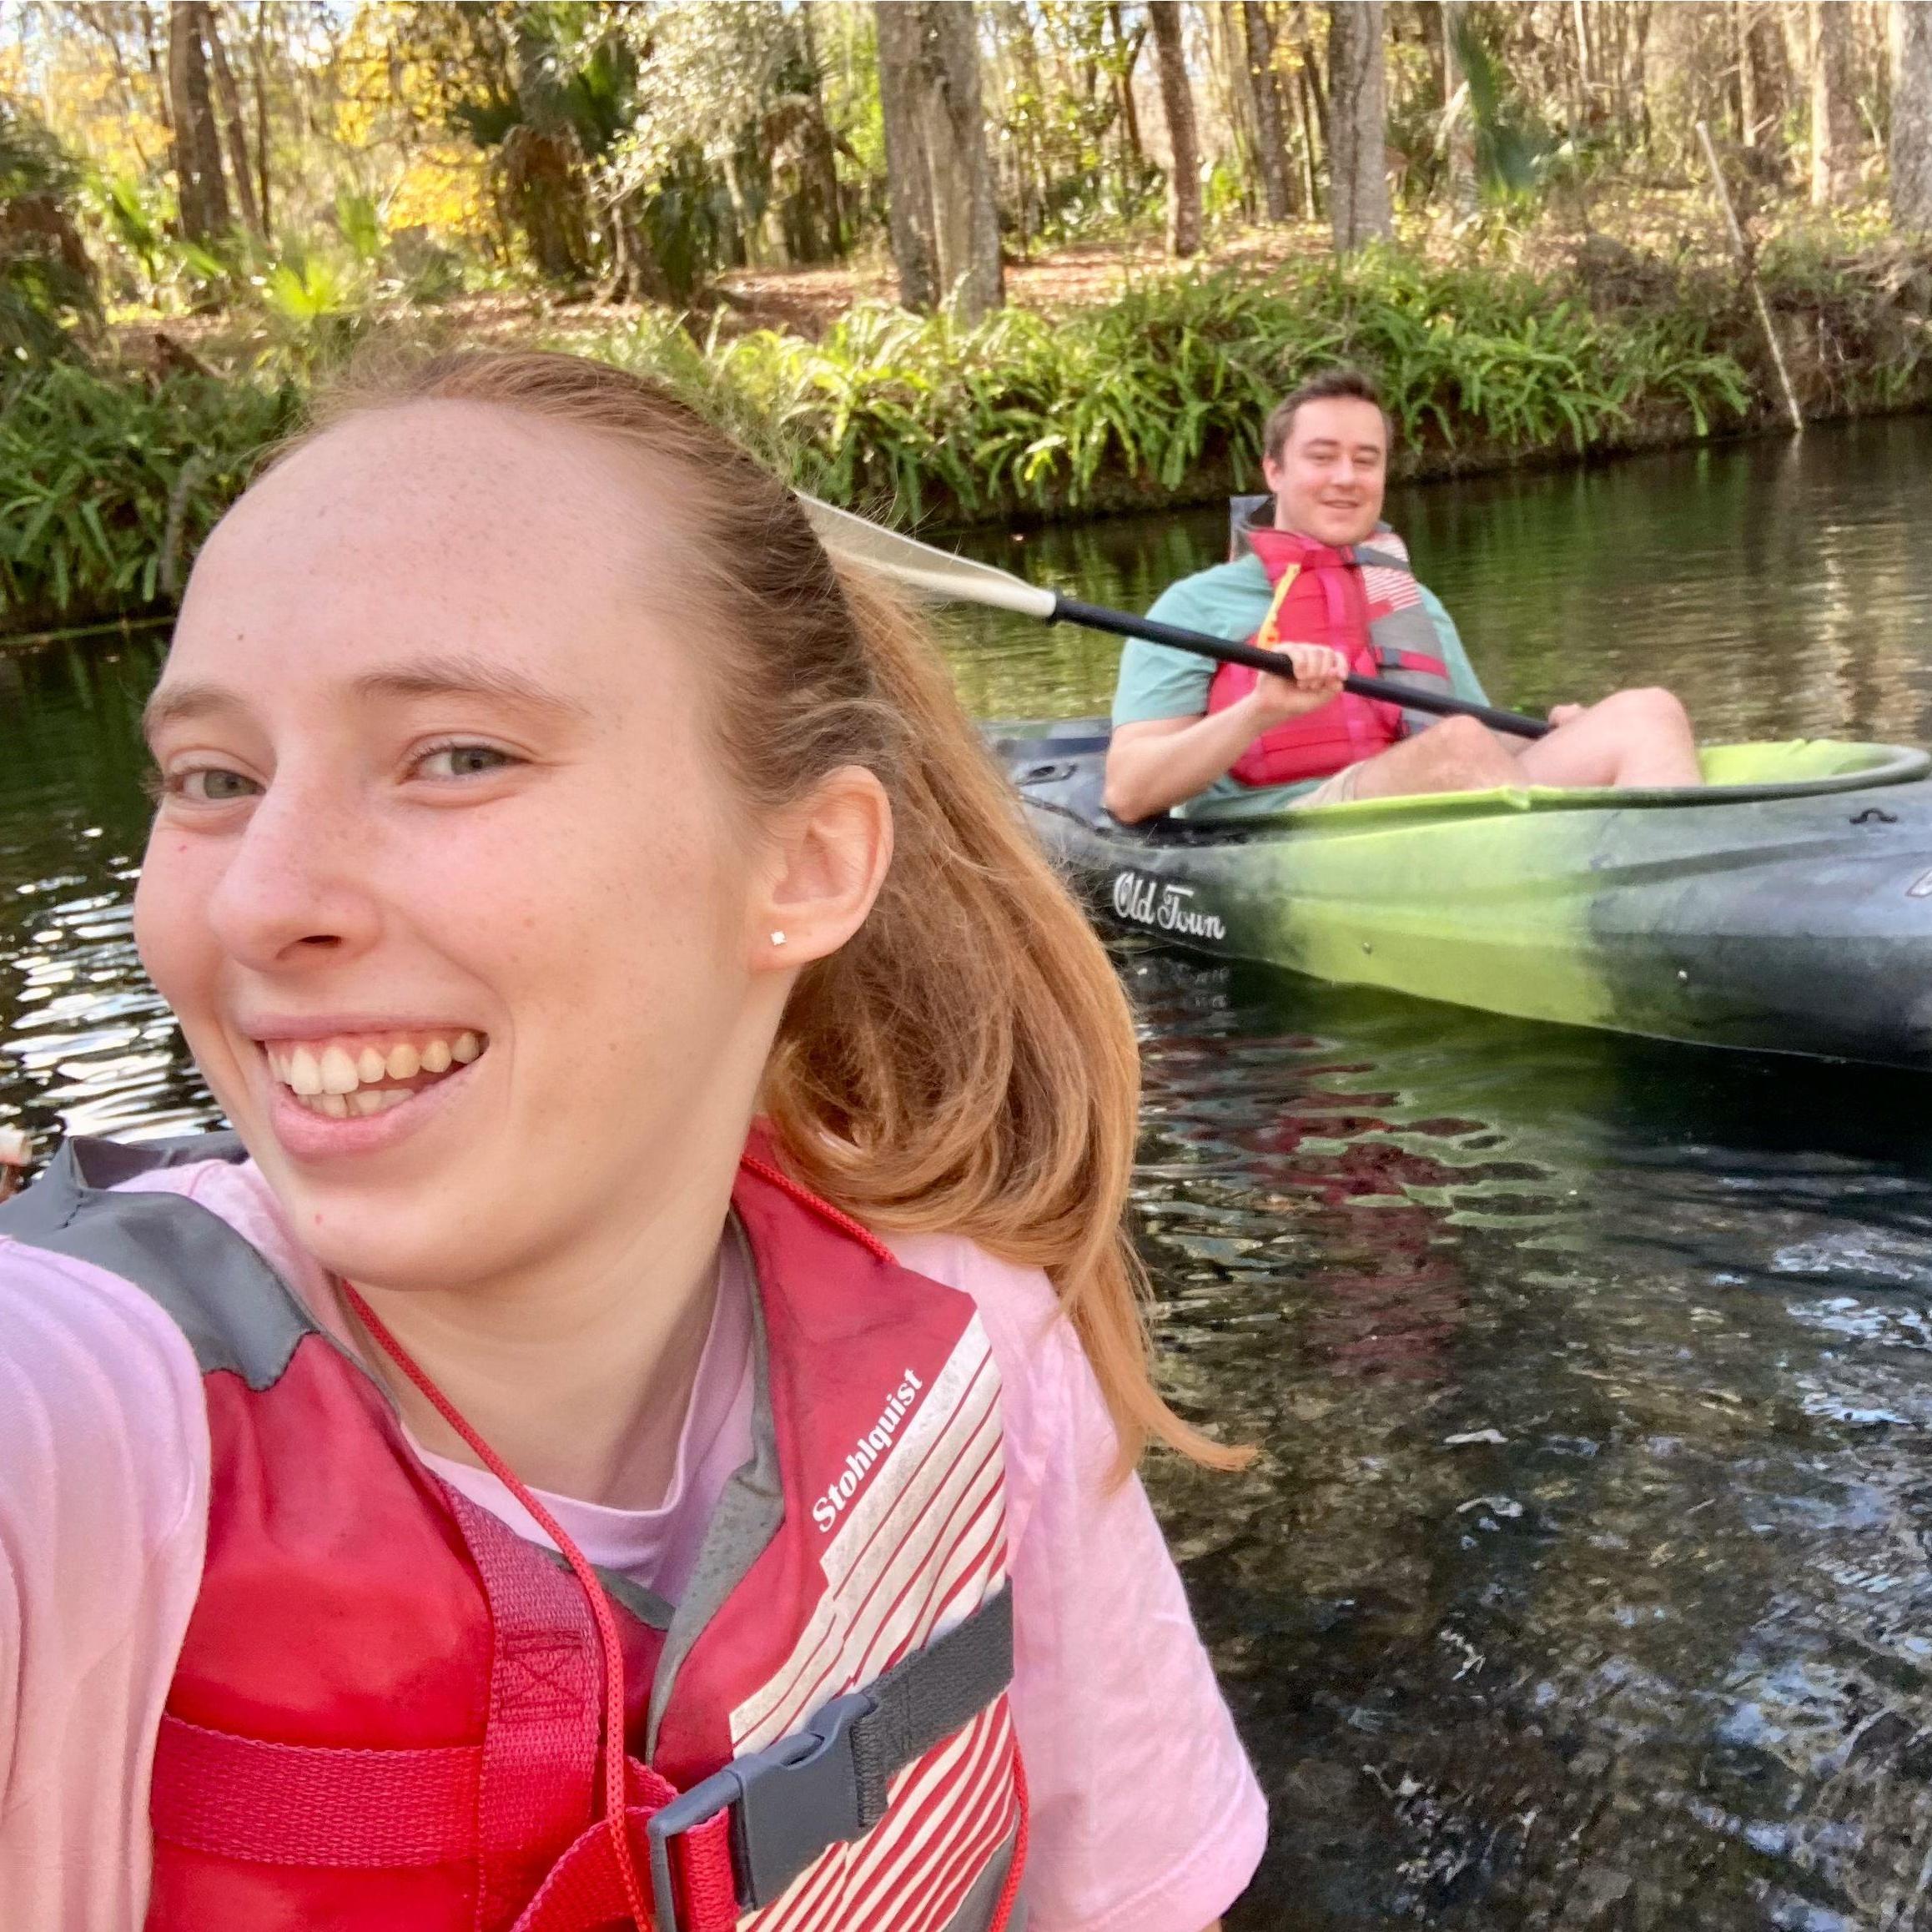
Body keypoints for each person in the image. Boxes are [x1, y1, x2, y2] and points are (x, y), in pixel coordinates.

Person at [0, 352, 1265, 1932]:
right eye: (212, 779)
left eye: (457, 754)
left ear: (804, 862)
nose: (257, 897)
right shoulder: (80, 1422)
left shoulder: (980, 1342)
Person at [1104, 369, 1703, 824]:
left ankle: (1687, 895)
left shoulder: (1409, 599)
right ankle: (1589, 897)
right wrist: (1258, 711)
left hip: (1420, 809)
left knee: (1647, 711)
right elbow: (1128, 793)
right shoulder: (1194, 607)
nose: (1346, 478)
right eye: (1322, 457)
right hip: (1284, 833)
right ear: (1274, 472)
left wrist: (1555, 730)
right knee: (1457, 747)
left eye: (1367, 461)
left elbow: (1479, 738)